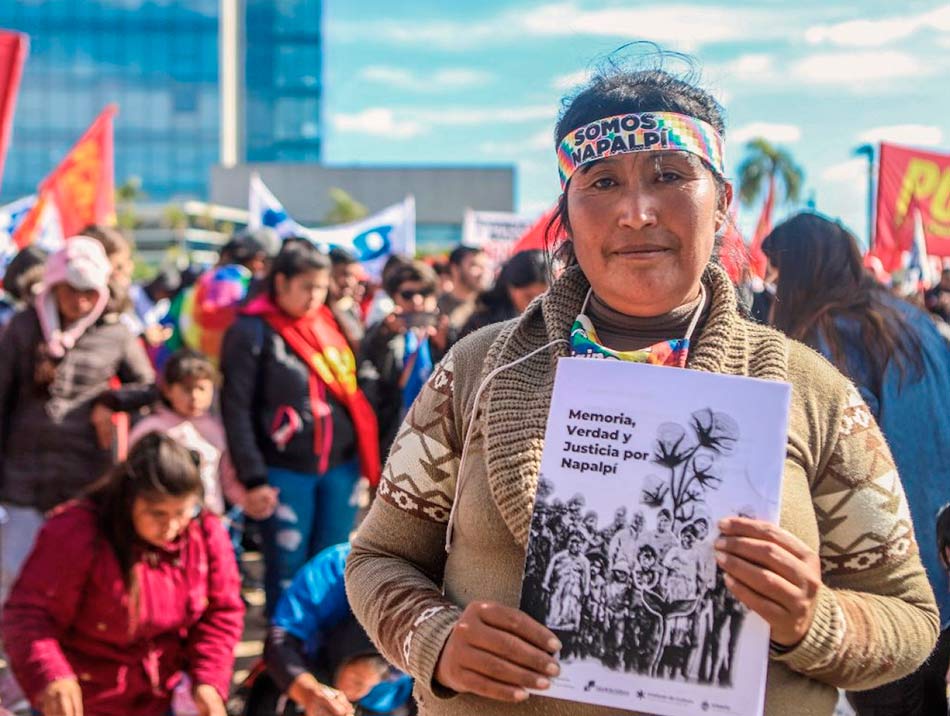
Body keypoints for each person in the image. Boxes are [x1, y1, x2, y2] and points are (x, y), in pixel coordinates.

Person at [345, 58, 938, 715]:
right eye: (601, 182)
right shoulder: (476, 371)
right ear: (566, 214)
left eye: (669, 176)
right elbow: (376, 558)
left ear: (722, 205)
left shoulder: (814, 392)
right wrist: (436, 639)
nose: (635, 211)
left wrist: (813, 620)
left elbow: (908, 617)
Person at [761, 212, 950, 715]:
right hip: (939, 563)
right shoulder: (913, 320)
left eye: (777, 271)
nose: (772, 284)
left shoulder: (827, 342)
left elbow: (832, 469)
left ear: (798, 268)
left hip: (878, 592)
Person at [1, 432, 244, 716]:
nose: (171, 526)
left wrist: (208, 679)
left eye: (182, 512)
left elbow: (221, 611)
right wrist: (51, 675)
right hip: (84, 698)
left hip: (163, 697)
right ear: (128, 501)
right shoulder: (75, 532)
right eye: (157, 514)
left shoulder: (204, 531)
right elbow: (28, 614)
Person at [221, 239, 380, 611]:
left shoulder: (333, 322)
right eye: (306, 286)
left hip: (340, 468)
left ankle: (323, 658)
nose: (314, 296)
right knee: (288, 569)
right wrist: (254, 477)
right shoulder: (251, 330)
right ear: (281, 283)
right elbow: (236, 408)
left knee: (332, 565)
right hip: (283, 471)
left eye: (321, 287)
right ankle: (285, 659)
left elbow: (359, 383)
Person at [0, 237, 155, 603]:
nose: (81, 301)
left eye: (90, 292)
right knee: (15, 574)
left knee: (78, 574)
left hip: (86, 474)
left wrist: (111, 401)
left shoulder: (115, 333)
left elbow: (150, 386)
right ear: (54, 284)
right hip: (23, 475)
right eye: (72, 290)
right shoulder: (24, 327)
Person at [260, 543, 414, 716]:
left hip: (394, 697)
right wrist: (310, 694)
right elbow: (280, 640)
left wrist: (380, 672)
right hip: (316, 673)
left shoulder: (442, 590)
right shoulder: (337, 567)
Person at [128, 348, 246, 516]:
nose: (194, 396)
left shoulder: (216, 429)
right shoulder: (150, 430)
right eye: (186, 389)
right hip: (169, 521)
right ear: (168, 390)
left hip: (211, 520)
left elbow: (227, 480)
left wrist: (248, 501)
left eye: (201, 388)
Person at [358, 260, 452, 457]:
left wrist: (444, 347)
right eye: (407, 294)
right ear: (394, 297)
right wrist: (385, 335)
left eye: (424, 292)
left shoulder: (448, 332)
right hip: (394, 435)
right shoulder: (381, 333)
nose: (417, 301)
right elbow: (371, 374)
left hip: (437, 439)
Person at [459, 250, 549, 338]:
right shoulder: (484, 326)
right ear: (510, 288)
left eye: (542, 297)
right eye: (528, 296)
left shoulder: (551, 321)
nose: (535, 303)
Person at [436, 246, 490, 330]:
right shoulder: (436, 306)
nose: (483, 272)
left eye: (485, 266)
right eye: (474, 265)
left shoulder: (491, 304)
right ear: (455, 269)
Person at [329, 247, 367, 353]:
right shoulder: (319, 312)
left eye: (353, 276)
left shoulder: (351, 307)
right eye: (344, 274)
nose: (349, 282)